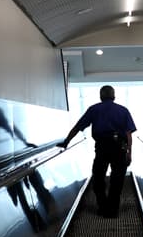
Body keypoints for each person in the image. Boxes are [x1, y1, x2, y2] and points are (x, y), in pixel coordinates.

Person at [58, 85, 137, 217]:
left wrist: (66, 142)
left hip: (102, 147)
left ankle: (103, 207)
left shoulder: (94, 109)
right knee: (117, 180)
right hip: (120, 148)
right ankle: (113, 210)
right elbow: (129, 134)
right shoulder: (123, 110)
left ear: (101, 97)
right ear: (114, 96)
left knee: (98, 177)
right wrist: (129, 153)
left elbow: (78, 127)